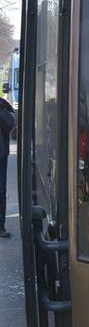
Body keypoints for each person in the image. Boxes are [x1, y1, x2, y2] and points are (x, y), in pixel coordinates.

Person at [0, 95, 15, 238]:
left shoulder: (2, 105)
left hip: (0, 156)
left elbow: (10, 124)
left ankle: (0, 226)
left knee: (0, 192)